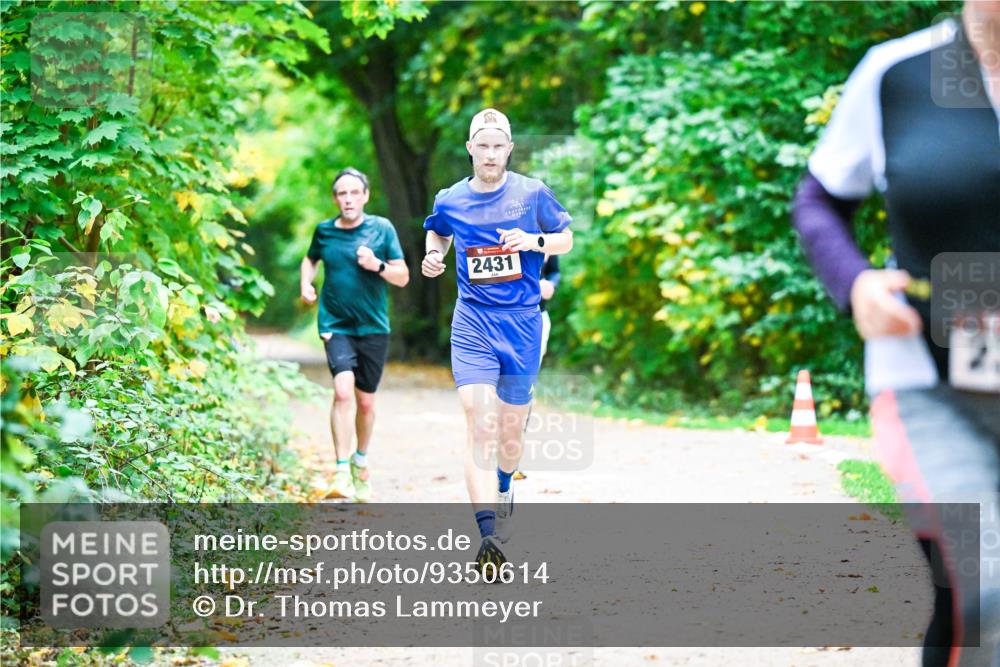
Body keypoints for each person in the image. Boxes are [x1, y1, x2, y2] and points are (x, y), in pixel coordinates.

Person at [791, 3, 999, 665]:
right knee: (984, 582)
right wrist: (855, 283)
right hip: (930, 384)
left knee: (966, 606)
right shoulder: (900, 74)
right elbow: (820, 198)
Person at [421, 108, 574, 571]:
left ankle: (505, 483)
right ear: (470, 149)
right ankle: (487, 536)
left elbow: (565, 238)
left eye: (498, 145)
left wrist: (533, 243)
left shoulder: (531, 194)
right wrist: (433, 256)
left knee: (510, 432)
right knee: (479, 421)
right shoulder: (451, 199)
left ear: (509, 149)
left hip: (523, 323)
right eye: (481, 145)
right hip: (473, 322)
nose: (490, 153)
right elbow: (437, 231)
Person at [301, 167, 409, 503]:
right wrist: (306, 283)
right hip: (336, 324)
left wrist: (377, 265)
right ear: (335, 199)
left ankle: (361, 460)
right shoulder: (324, 232)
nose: (347, 199)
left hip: (374, 326)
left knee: (365, 401)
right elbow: (310, 259)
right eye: (341, 194)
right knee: (343, 392)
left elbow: (402, 276)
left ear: (365, 196)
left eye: (353, 193)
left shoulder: (382, 230)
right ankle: (341, 469)